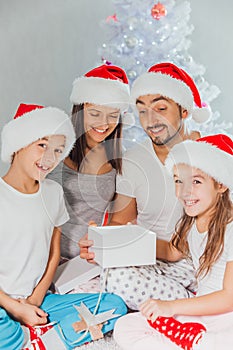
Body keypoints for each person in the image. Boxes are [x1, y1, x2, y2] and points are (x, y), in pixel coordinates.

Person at [79, 62, 210, 309]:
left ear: (184, 110)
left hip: (195, 262)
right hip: (150, 260)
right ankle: (185, 303)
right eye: (142, 111)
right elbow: (120, 221)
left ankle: (196, 302)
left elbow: (189, 243)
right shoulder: (133, 160)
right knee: (107, 276)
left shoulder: (210, 156)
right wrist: (103, 242)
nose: (151, 121)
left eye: (160, 108)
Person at [0, 103, 127, 350]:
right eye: (42, 146)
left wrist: (35, 299)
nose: (50, 158)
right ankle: (26, 337)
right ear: (18, 145)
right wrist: (14, 306)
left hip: (39, 299)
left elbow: (53, 252)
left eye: (58, 151)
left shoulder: (53, 192)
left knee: (115, 306)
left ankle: (42, 341)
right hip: (3, 302)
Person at [114, 133, 233, 350]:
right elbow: (170, 251)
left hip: (227, 313)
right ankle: (191, 341)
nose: (185, 191)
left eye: (196, 181)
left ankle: (198, 341)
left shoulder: (231, 228)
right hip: (202, 313)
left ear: (222, 185)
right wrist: (130, 241)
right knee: (125, 327)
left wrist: (171, 307)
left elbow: (228, 298)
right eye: (179, 180)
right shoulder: (190, 223)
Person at [49, 64, 130, 259]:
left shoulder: (120, 159)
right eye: (95, 114)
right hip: (44, 253)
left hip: (87, 260)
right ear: (80, 109)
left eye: (112, 116)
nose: (104, 124)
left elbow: (120, 218)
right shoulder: (55, 145)